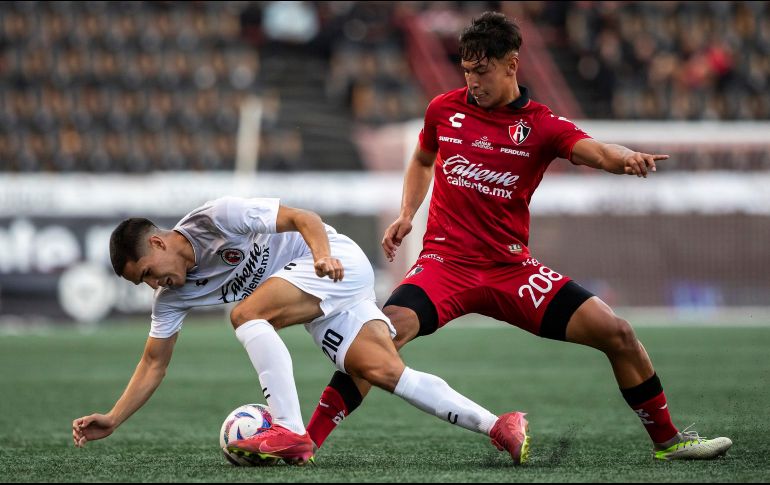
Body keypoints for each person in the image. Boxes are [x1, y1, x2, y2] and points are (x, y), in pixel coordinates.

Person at [305, 12, 733, 462]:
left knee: (618, 333)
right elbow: (423, 158)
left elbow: (597, 151)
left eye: (482, 70)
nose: (473, 82)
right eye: (466, 71)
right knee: (377, 341)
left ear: (511, 64)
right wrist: (407, 213)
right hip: (445, 266)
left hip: (512, 271)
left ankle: (669, 441)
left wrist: (624, 159)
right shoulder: (443, 110)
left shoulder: (541, 125)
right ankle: (306, 442)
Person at [71, 196, 529, 465]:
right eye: (145, 284)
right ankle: (499, 425)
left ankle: (289, 429)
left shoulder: (217, 218)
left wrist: (322, 255)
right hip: (317, 301)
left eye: (149, 273)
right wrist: (114, 417)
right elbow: (153, 363)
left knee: (245, 315)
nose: (156, 285)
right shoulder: (172, 298)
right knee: (385, 372)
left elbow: (302, 218)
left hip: (333, 263)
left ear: (157, 243)